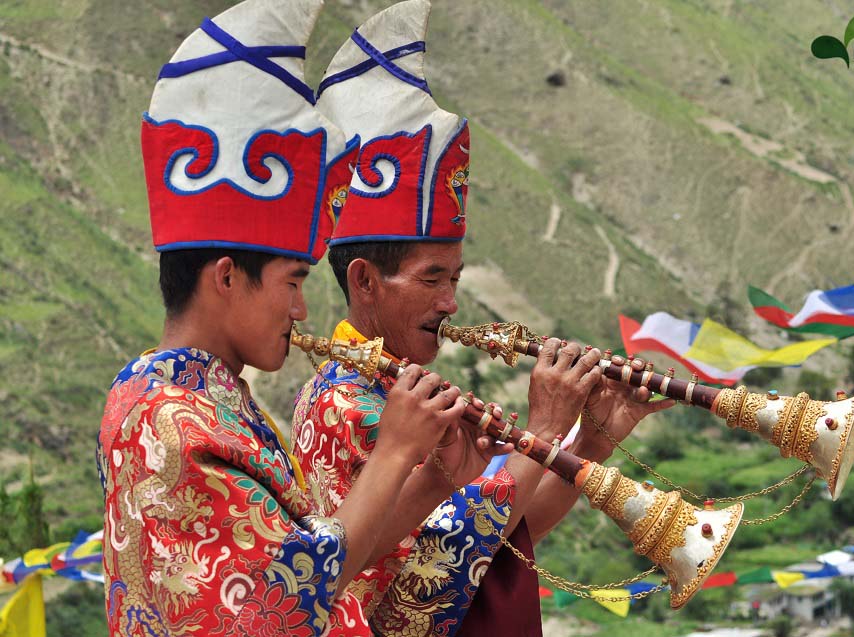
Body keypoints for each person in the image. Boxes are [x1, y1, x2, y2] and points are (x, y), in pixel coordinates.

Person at [292, 2, 675, 635]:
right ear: (364, 281)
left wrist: (596, 437)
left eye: (456, 279)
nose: (450, 303)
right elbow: (419, 589)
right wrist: (548, 427)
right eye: (432, 279)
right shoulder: (347, 405)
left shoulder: (403, 386)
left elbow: (503, 535)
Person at [96, 2, 465, 635]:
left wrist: (432, 480)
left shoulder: (195, 399)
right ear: (227, 277)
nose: (300, 309)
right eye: (292, 281)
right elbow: (280, 602)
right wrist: (398, 451)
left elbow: (320, 559)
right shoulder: (173, 421)